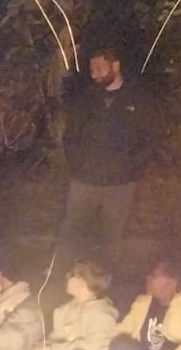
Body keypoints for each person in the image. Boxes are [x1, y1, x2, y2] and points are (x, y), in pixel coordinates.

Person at [58, 44, 157, 271]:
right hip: (84, 181)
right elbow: (70, 136)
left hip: (120, 184)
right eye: (92, 69)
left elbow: (150, 138)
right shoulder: (86, 100)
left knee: (113, 236)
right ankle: (61, 275)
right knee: (71, 231)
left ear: (115, 66)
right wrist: (78, 164)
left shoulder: (138, 100)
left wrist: (131, 167)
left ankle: (106, 280)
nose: (94, 74)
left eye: (99, 68)